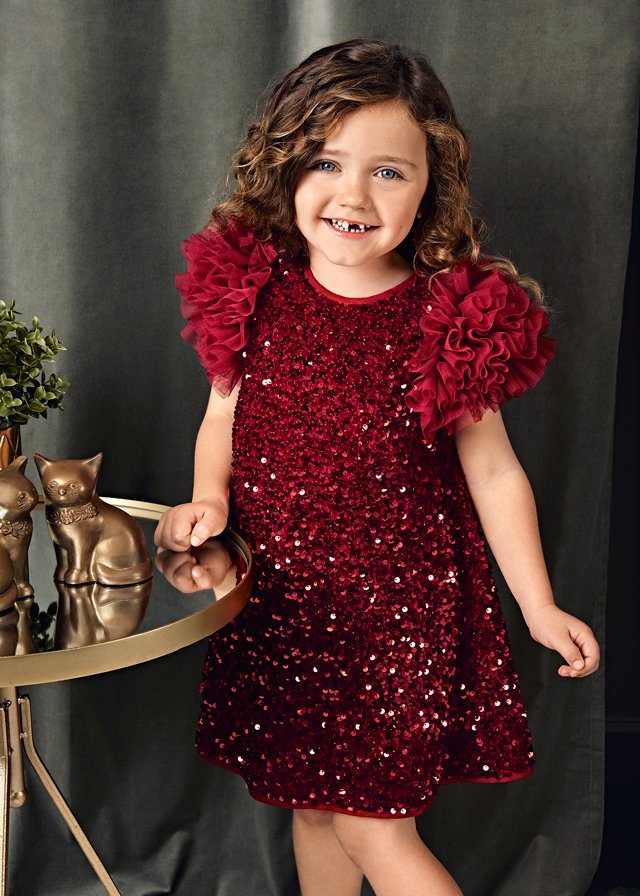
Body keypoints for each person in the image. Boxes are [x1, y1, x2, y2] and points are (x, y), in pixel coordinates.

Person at [154, 38, 600, 896]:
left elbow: (496, 474)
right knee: (315, 811)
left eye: (388, 172)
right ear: (285, 167)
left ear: (431, 188)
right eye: (327, 162)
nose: (353, 195)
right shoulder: (252, 293)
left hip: (399, 620)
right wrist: (208, 497)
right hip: (286, 610)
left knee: (372, 826)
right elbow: (222, 416)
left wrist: (538, 604)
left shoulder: (448, 318)